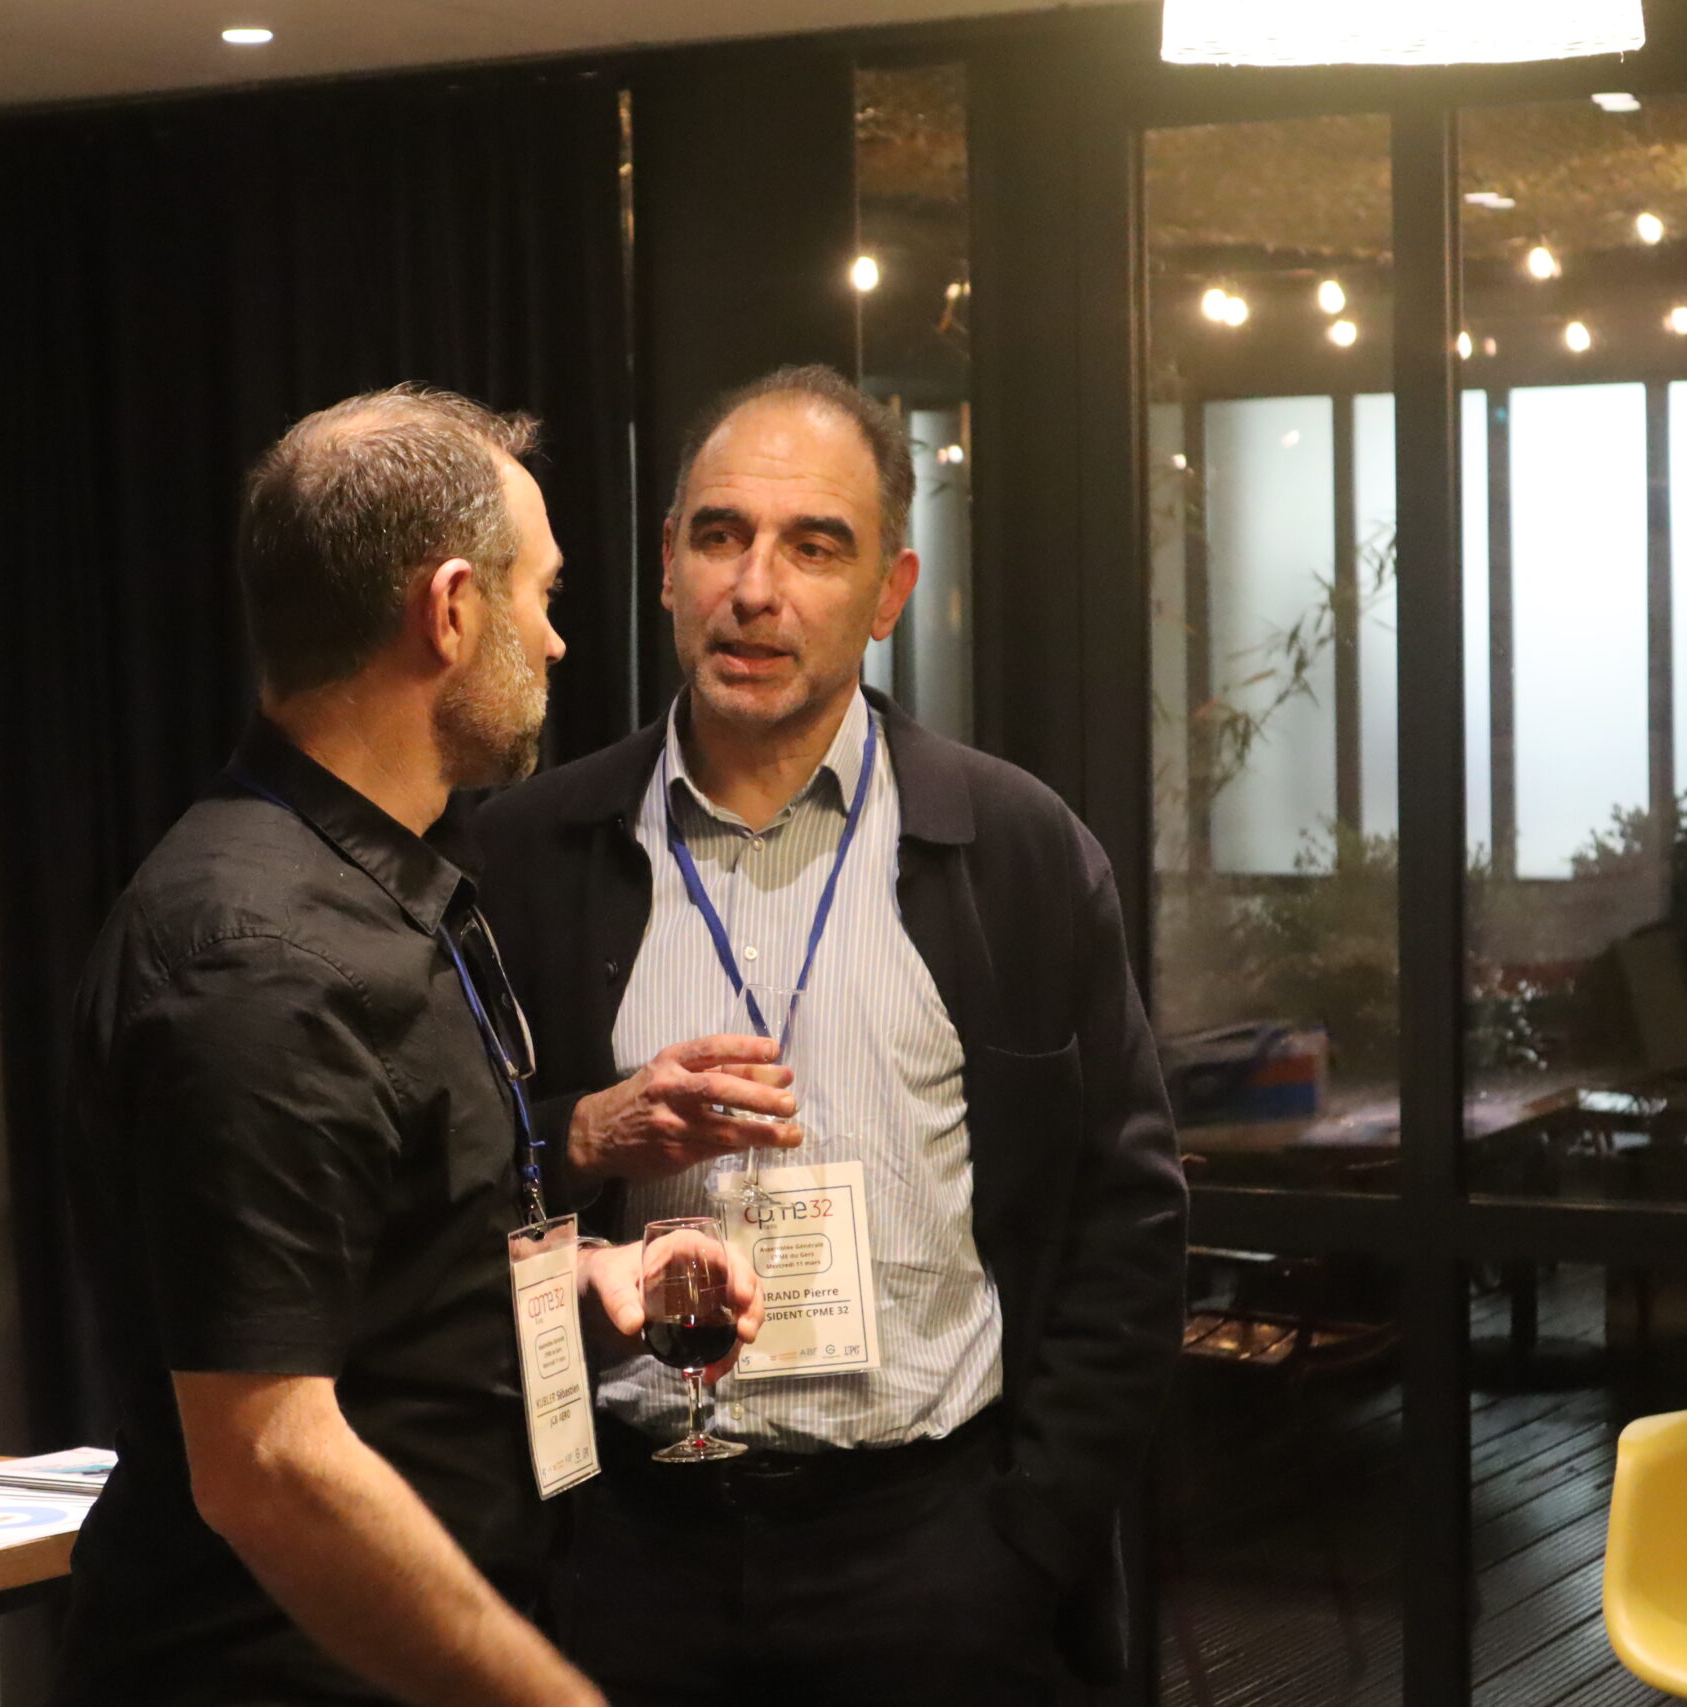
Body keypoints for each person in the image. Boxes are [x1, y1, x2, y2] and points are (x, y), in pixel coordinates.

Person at [471, 365, 1187, 1705]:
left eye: (815, 547)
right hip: (626, 1561)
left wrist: (1028, 1540)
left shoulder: (1015, 850)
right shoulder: (528, 856)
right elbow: (436, 1200)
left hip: (933, 1559)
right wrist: (583, 1137)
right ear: (668, 567)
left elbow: (1126, 1222)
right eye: (720, 536)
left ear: (890, 592)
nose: (757, 589)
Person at [56, 385, 742, 1707]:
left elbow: (375, 1278)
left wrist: (587, 1276)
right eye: (538, 594)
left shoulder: (389, 887)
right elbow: (268, 1458)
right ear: (451, 611)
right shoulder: (260, 959)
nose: (554, 639)